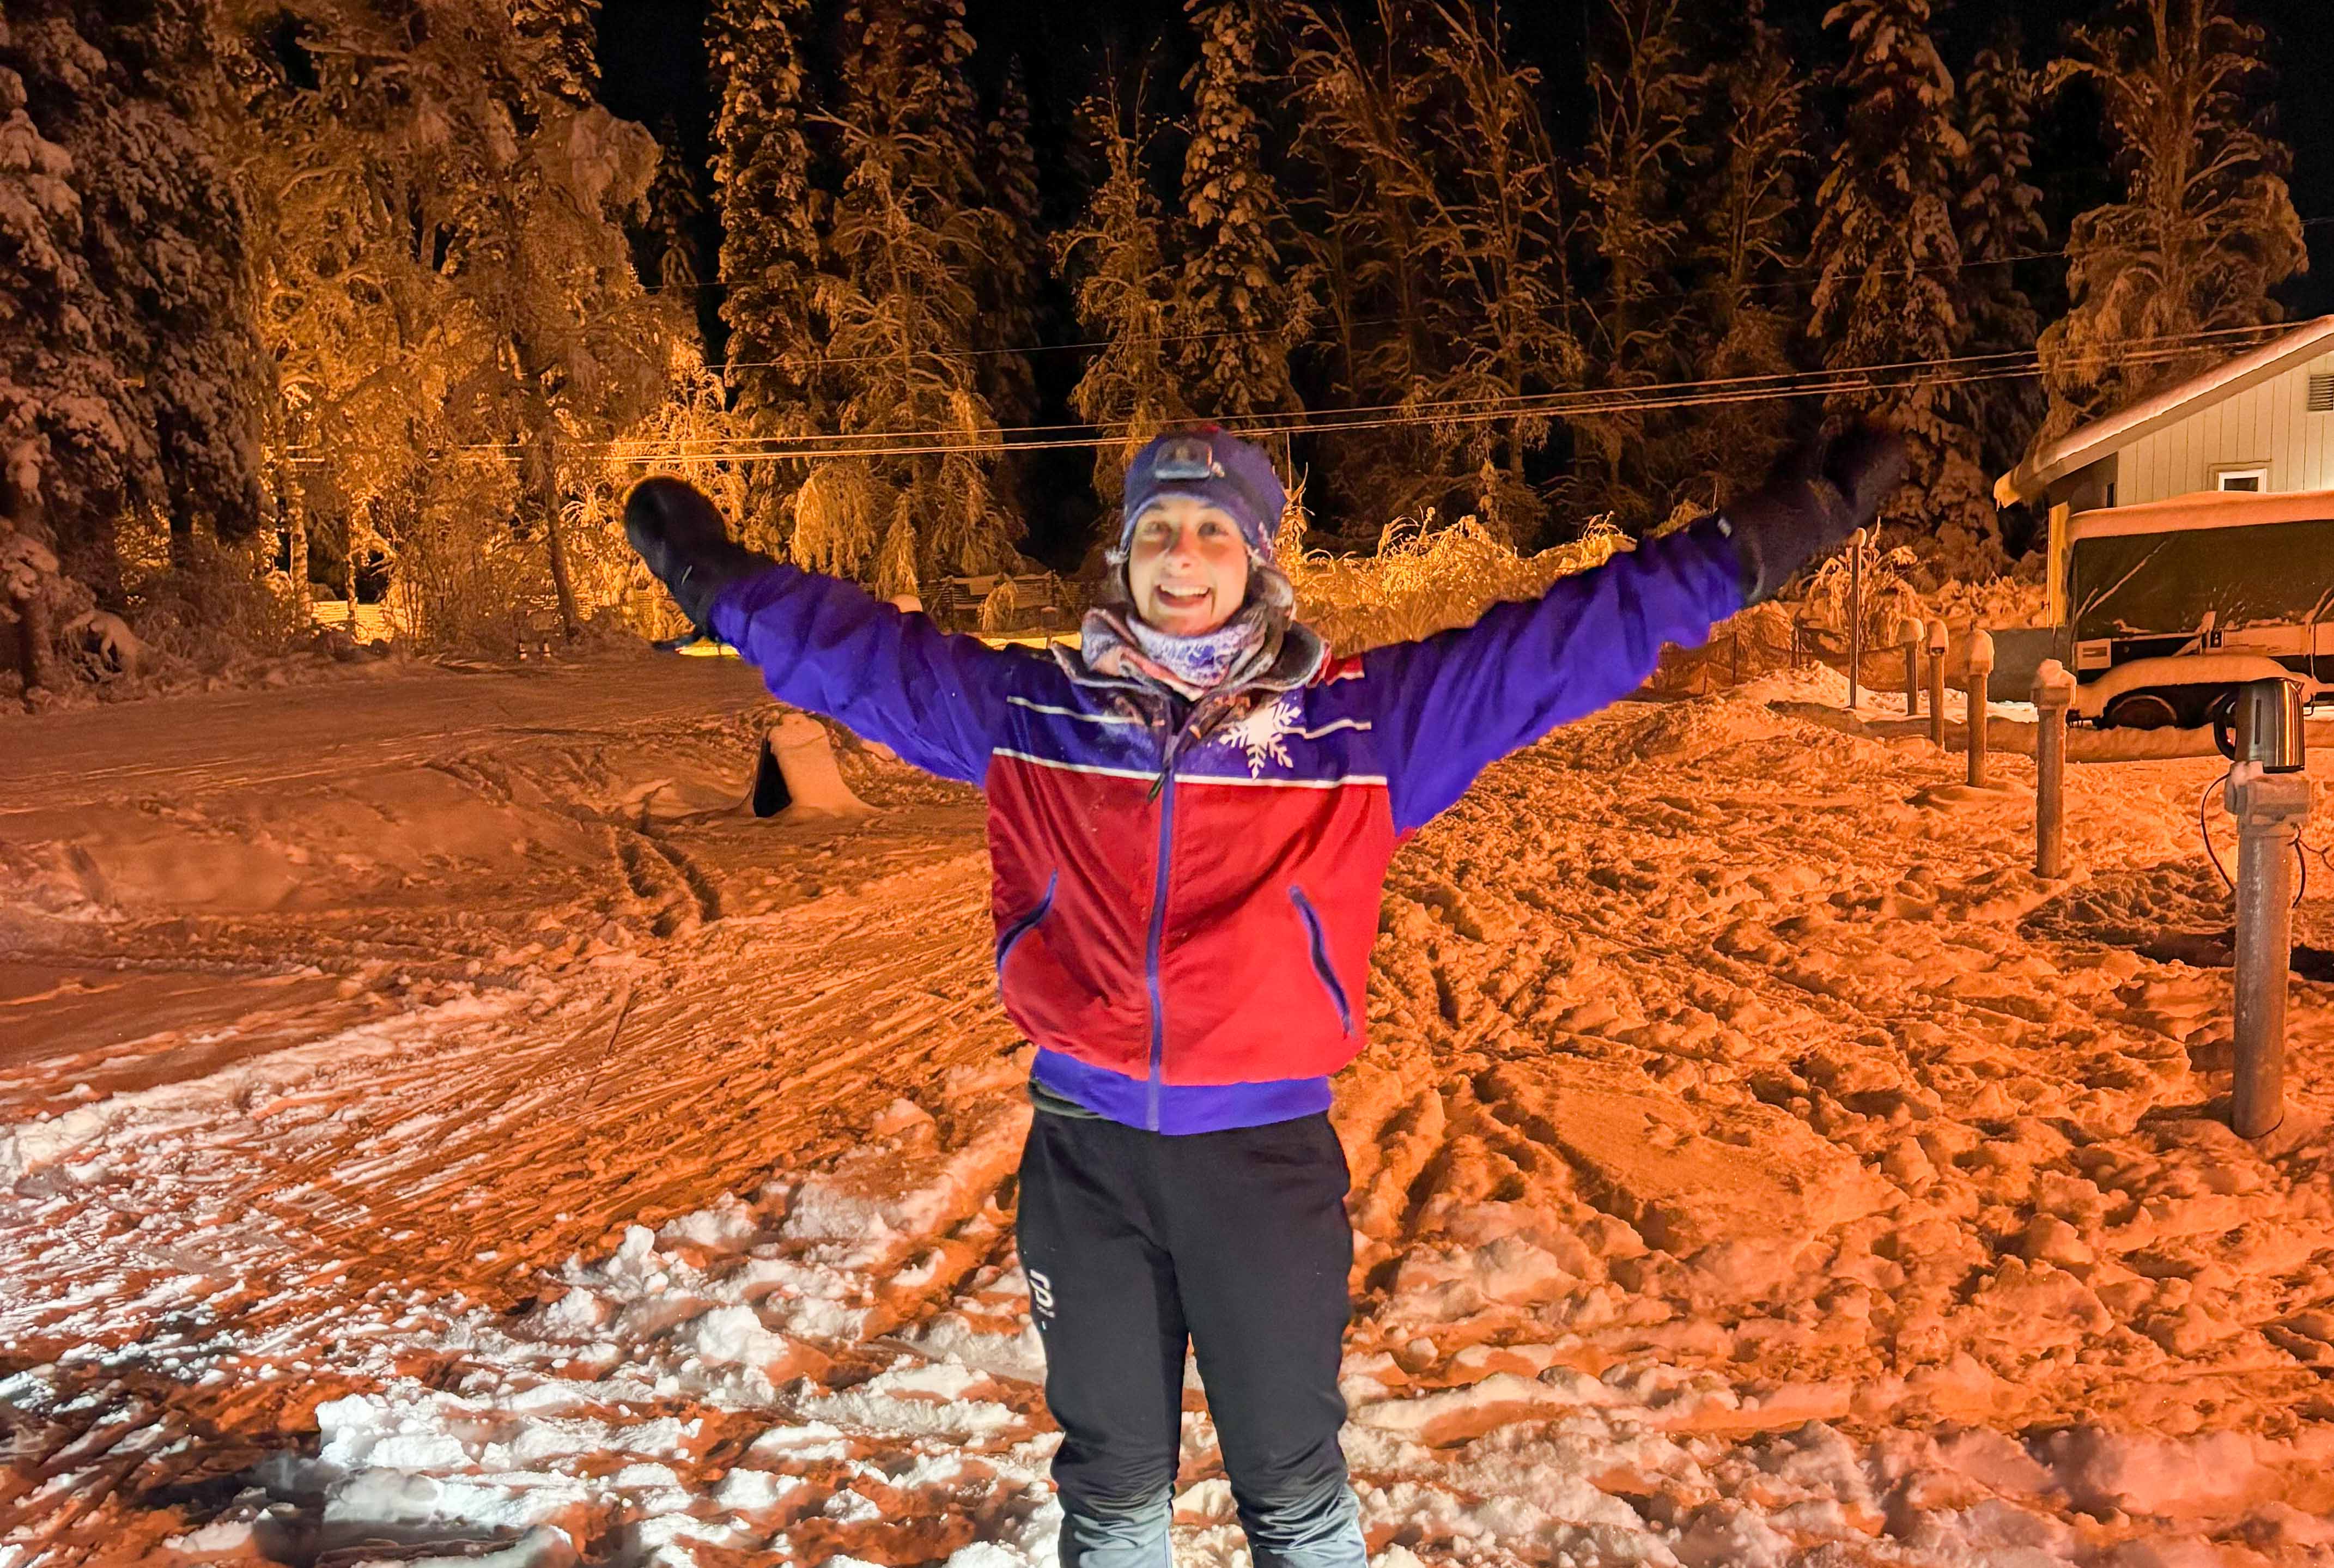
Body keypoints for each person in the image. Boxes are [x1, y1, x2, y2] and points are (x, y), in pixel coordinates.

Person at [623, 423, 1905, 1568]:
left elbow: (1568, 643)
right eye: (1158, 532)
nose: (1184, 558)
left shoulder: (1356, 731)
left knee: (1291, 1483)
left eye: (1213, 532)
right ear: (1126, 558)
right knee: (1112, 1484)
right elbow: (862, 656)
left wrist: (1771, 537)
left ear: (1259, 557)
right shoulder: (1035, 714)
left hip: (1263, 1163)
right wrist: (719, 581)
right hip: (1088, 1159)